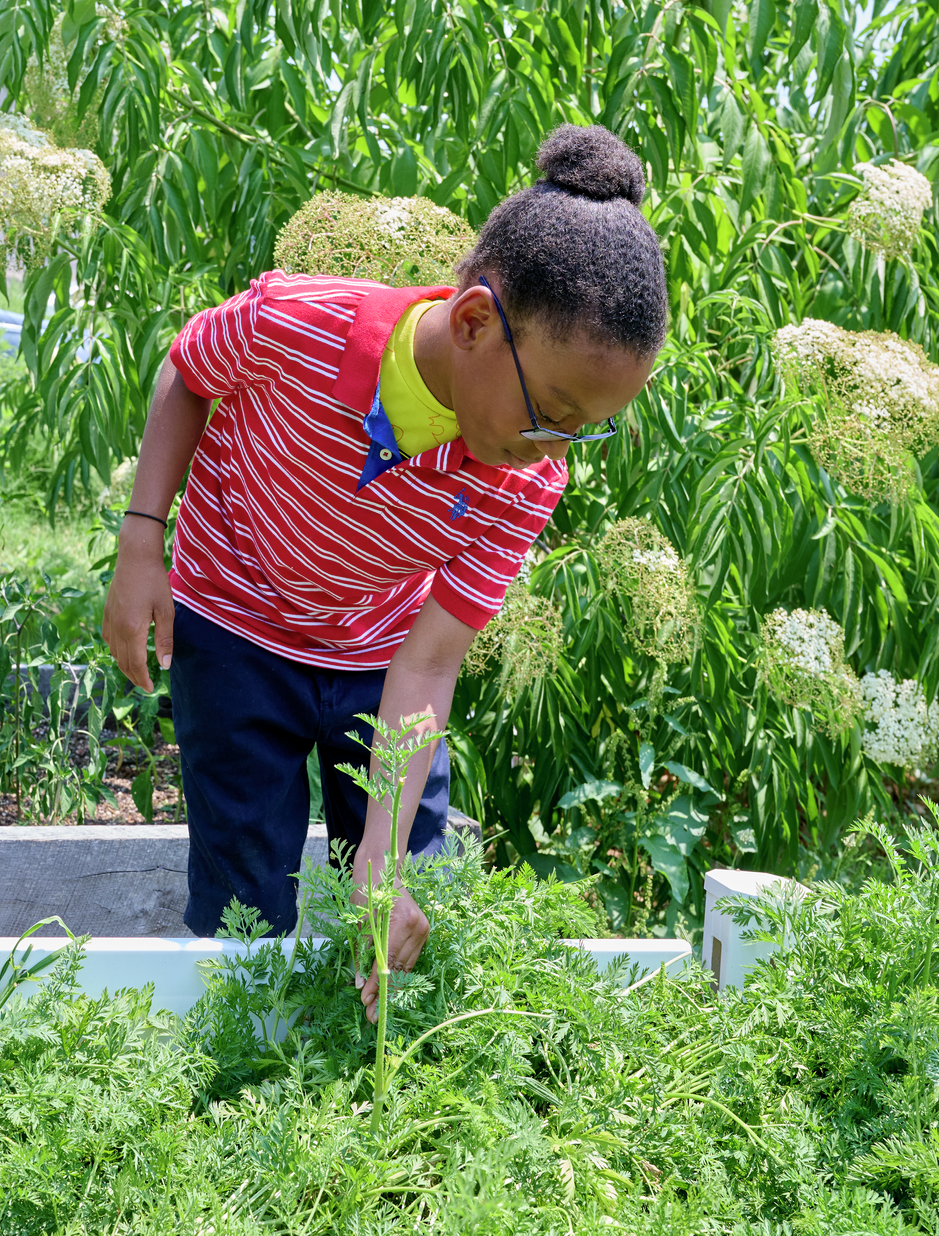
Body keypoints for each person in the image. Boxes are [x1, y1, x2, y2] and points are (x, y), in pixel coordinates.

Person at [101, 123, 667, 1021]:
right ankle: (233, 1075)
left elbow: (431, 663)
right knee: (245, 896)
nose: (556, 447)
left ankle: (370, 1078)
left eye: (584, 427)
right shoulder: (301, 325)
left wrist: (386, 856)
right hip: (235, 623)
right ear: (476, 320)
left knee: (404, 898)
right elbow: (188, 371)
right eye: (553, 412)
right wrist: (141, 544)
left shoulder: (527, 474)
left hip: (382, 655)